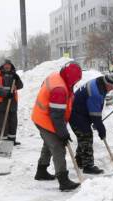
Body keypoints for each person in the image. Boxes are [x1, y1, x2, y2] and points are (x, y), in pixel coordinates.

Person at [32, 62, 82, 191]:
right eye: (75, 81)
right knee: (58, 146)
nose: (75, 83)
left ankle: (41, 171)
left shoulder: (56, 76)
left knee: (48, 143)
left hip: (42, 115)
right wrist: (63, 133)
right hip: (46, 119)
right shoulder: (59, 89)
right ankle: (63, 181)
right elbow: (57, 116)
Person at [70, 75, 113, 175]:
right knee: (86, 136)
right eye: (112, 87)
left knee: (83, 137)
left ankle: (79, 160)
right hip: (76, 115)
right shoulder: (96, 92)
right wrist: (101, 128)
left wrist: (97, 123)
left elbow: (96, 108)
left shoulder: (100, 82)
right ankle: (88, 166)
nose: (112, 89)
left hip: (81, 112)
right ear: (108, 84)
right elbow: (95, 114)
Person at [0, 59, 24, 145]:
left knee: (13, 122)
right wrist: (6, 94)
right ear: (2, 66)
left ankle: (12, 140)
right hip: (1, 103)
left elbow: (20, 86)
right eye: (6, 65)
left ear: (11, 66)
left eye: (9, 65)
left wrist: (17, 79)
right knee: (2, 123)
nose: (7, 66)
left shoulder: (14, 75)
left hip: (12, 103)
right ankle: (3, 142)